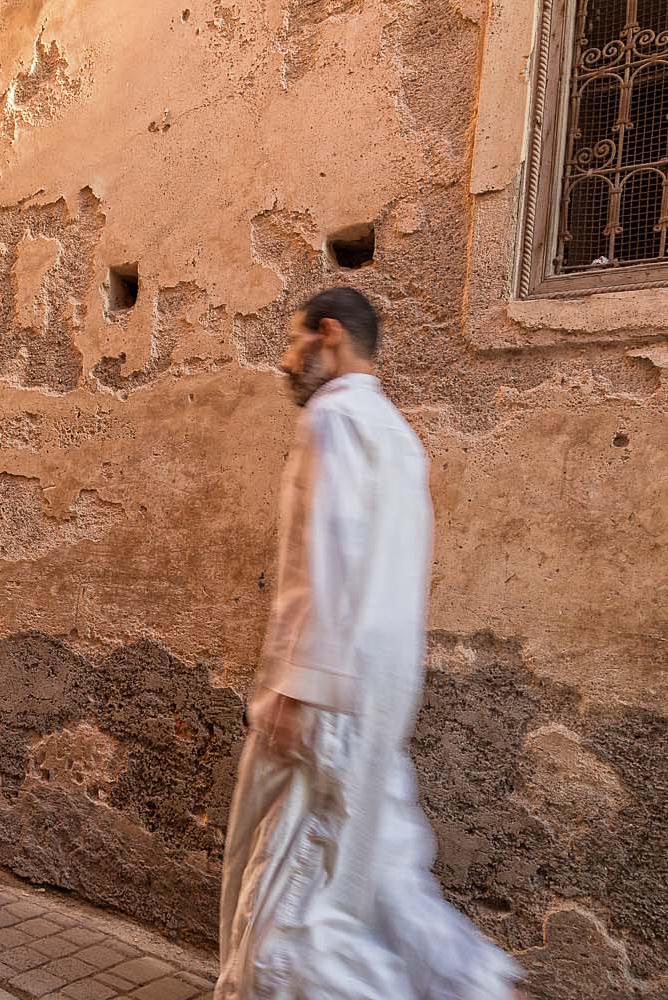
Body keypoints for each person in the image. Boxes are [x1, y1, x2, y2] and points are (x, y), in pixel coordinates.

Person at [215, 289, 523, 1000]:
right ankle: (472, 986)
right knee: (375, 871)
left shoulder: (334, 417)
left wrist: (299, 687)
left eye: (293, 343)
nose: (286, 363)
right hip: (380, 691)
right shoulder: (395, 432)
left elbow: (333, 555)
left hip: (328, 689)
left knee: (295, 903)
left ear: (328, 336)